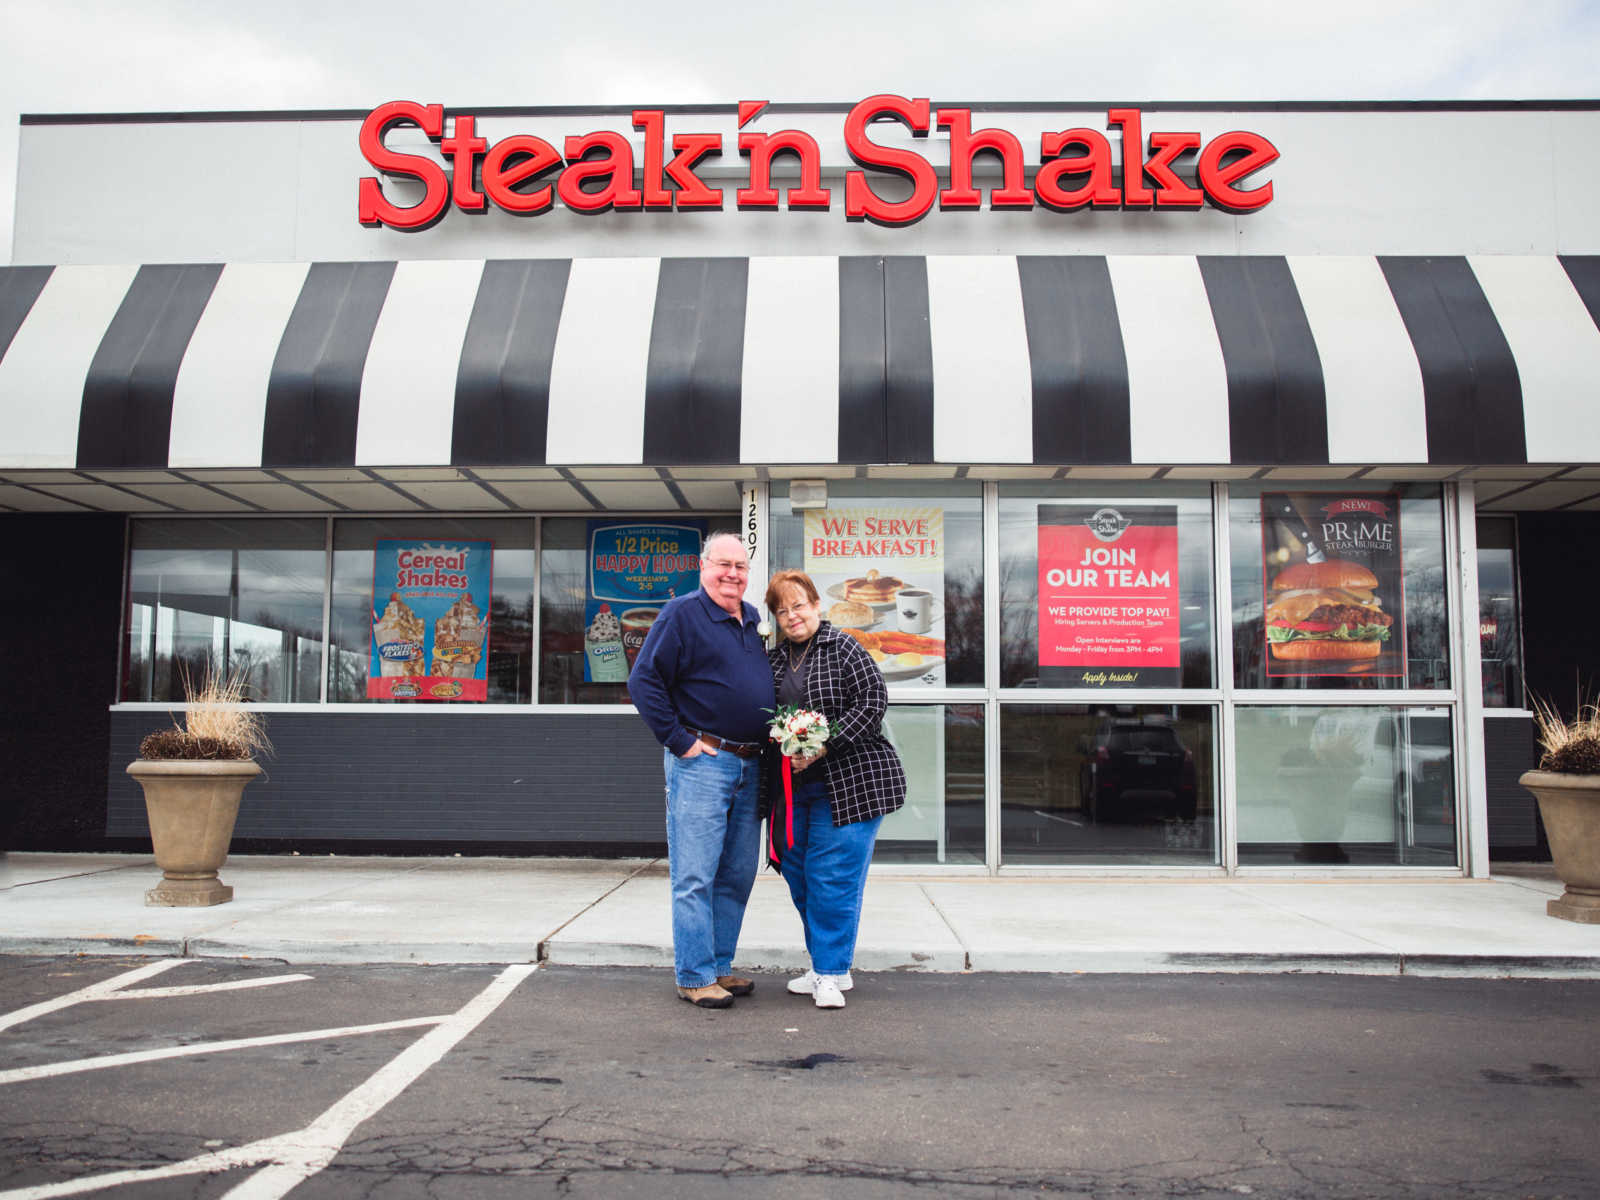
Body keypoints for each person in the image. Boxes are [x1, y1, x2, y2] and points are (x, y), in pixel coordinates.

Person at [628, 531, 775, 1009]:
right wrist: (681, 742)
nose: (732, 574)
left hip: (751, 764)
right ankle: (694, 975)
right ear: (702, 566)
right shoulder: (683, 614)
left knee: (736, 875)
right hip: (704, 764)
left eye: (741, 566)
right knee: (695, 875)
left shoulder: (752, 621)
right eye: (723, 564)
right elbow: (644, 679)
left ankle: (719, 966)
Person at [764, 568, 906, 1009]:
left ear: (816, 606)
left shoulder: (844, 646)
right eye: (782, 610)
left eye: (799, 606)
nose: (792, 616)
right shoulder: (773, 660)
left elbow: (873, 702)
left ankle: (828, 972)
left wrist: (825, 743)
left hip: (849, 784)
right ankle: (829, 964)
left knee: (832, 879)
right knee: (800, 876)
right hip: (794, 788)